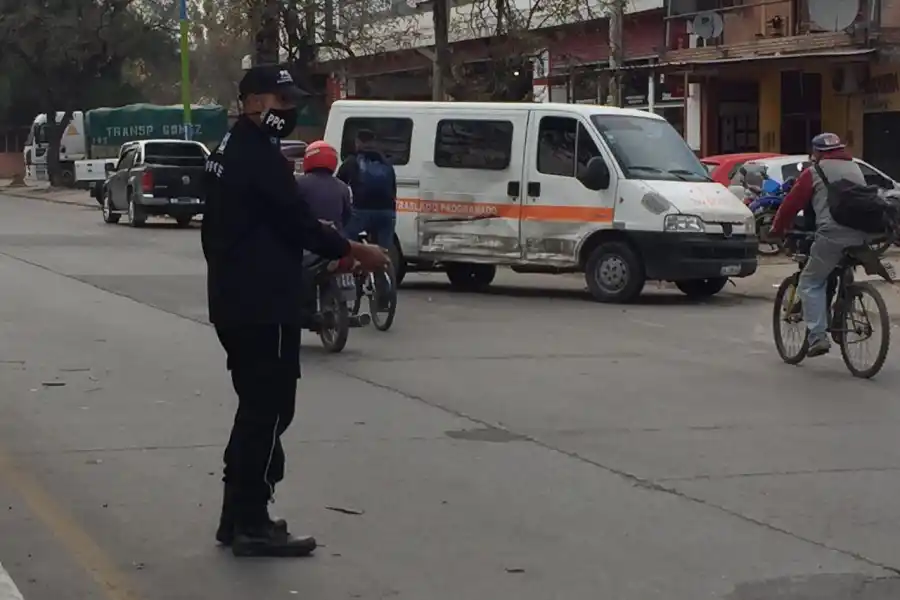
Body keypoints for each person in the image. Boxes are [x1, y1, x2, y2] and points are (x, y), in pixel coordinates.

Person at [201, 64, 389, 557]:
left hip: (235, 301)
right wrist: (354, 251)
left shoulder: (230, 149)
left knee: (255, 411)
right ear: (255, 102)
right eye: (283, 104)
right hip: (262, 305)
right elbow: (302, 224)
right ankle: (252, 523)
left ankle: (236, 517)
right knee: (269, 412)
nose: (291, 112)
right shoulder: (257, 158)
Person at [771, 133, 869, 357]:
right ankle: (843, 308)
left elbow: (791, 205)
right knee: (843, 266)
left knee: (810, 281)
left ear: (816, 153)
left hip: (832, 235)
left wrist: (777, 230)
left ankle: (817, 337)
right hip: (863, 235)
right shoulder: (855, 168)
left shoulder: (814, 172)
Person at [336, 128, 397, 249]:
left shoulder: (352, 161)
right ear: (374, 143)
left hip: (361, 210)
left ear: (358, 142)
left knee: (346, 239)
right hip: (387, 211)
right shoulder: (386, 162)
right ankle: (385, 265)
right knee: (385, 249)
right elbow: (393, 189)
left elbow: (338, 185)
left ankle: (352, 261)